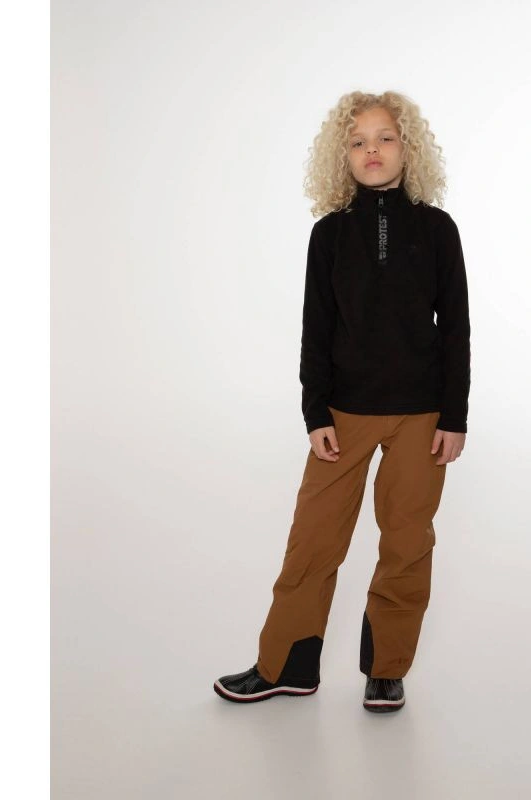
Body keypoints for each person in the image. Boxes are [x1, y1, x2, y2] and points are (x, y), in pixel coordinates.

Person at [213, 90, 471, 713]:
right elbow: (316, 328)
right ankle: (287, 666)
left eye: (384, 138)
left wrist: (454, 415)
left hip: (421, 416)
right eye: (357, 142)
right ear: (342, 155)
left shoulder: (437, 229)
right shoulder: (328, 234)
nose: (371, 150)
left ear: (408, 148)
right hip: (345, 415)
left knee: (407, 543)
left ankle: (386, 670)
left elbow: (456, 328)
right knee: (313, 541)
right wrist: (315, 412)